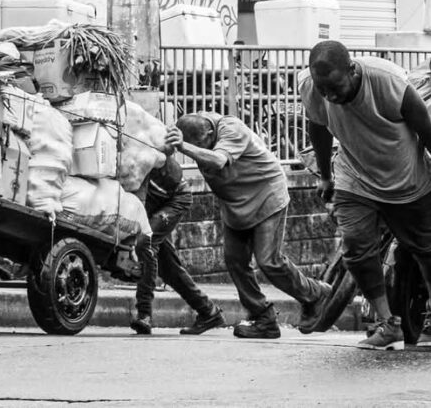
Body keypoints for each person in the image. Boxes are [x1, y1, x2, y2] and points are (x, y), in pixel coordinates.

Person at [298, 39, 431, 350]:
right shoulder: (311, 87)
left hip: (406, 180)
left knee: (426, 249)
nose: (329, 96)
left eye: (335, 87)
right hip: (354, 177)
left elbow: (426, 130)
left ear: (353, 71)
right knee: (356, 247)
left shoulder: (388, 82)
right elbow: (317, 126)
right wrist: (327, 177)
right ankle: (388, 324)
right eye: (323, 89)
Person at [165, 112, 331, 339]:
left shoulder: (232, 129)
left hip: (266, 196)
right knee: (234, 260)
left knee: (268, 260)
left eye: (200, 145)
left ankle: (314, 294)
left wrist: (184, 146)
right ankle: (263, 318)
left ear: (210, 133)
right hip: (236, 205)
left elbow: (217, 160)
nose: (197, 151)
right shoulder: (199, 134)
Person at [130, 155, 226, 335]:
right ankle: (208, 311)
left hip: (173, 198)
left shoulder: (137, 138)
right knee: (167, 267)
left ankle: (144, 315)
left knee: (145, 243)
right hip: (154, 199)